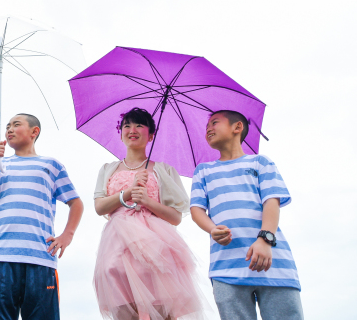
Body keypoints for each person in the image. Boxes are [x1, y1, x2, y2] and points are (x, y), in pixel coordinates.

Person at [92, 107, 208, 320]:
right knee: (116, 280)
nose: (132, 129)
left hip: (156, 241)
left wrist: (146, 201)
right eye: (126, 125)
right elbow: (100, 207)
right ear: (120, 133)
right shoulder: (108, 168)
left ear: (151, 135)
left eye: (139, 125)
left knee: (159, 303)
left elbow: (175, 217)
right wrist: (127, 193)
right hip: (117, 241)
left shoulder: (164, 169)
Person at [190, 110, 303, 320]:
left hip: (274, 265)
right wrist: (212, 228)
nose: (208, 128)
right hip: (226, 269)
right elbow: (196, 209)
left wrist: (265, 239)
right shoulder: (203, 171)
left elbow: (272, 201)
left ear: (237, 127)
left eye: (214, 123)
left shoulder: (260, 163)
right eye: (207, 127)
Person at [0, 113, 84, 320]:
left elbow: (76, 203)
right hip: (1, 256)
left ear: (35, 132)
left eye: (16, 125)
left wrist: (67, 235)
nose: (9, 129)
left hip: (40, 256)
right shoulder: (0, 165)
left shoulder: (51, 165)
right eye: (7, 126)